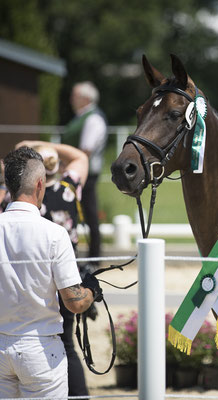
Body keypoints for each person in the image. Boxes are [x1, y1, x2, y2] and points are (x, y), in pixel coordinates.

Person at [0, 146, 103, 398]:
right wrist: (92, 289)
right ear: (39, 185)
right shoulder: (55, 234)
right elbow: (75, 302)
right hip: (40, 349)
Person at [63, 81, 108, 264]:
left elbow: (85, 150)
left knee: (89, 213)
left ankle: (94, 256)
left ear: (86, 98)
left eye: (75, 95)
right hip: (77, 171)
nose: (71, 99)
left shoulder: (93, 119)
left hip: (85, 173)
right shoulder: (83, 117)